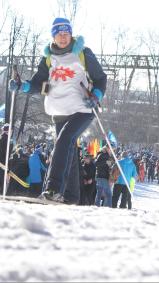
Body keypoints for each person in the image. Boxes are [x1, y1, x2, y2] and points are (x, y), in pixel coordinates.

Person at [9, 17, 107, 204]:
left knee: (64, 140)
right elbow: (39, 83)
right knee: (67, 150)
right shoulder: (48, 58)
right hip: (58, 110)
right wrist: (23, 86)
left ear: (71, 34)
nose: (63, 37)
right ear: (53, 36)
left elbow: (101, 78)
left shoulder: (83, 53)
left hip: (82, 109)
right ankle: (71, 197)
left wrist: (96, 95)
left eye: (66, 33)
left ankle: (53, 189)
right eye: (59, 33)